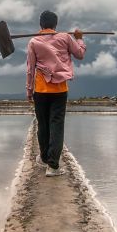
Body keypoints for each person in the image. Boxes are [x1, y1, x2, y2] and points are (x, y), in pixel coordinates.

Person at [26, 10, 86, 177]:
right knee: (56, 125)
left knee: (43, 125)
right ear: (55, 24)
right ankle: (52, 166)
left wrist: (29, 90)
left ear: (41, 25)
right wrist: (79, 38)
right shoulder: (65, 38)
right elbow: (80, 54)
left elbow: (30, 69)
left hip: (40, 90)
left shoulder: (33, 42)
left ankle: (44, 158)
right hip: (59, 90)